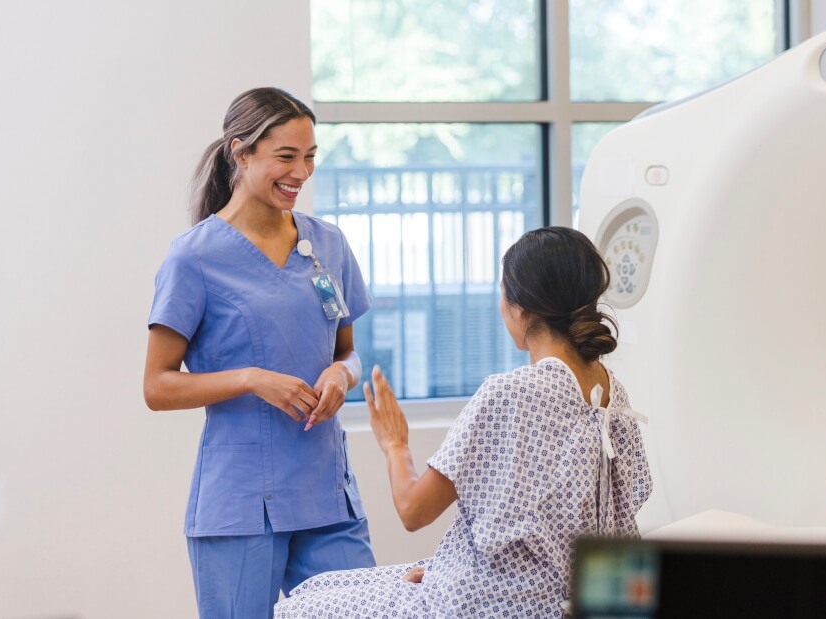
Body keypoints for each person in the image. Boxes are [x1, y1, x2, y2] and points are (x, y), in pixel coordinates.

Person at [274, 226, 652, 618]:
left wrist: (395, 444)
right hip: (557, 600)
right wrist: (450, 568)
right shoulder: (613, 396)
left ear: (520, 307)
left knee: (302, 606)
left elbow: (412, 511)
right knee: (332, 585)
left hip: (486, 604)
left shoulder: (509, 394)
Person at [143, 87, 375, 619]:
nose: (302, 171)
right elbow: (157, 385)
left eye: (311, 156)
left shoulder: (328, 245)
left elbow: (349, 353)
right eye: (286, 157)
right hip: (240, 504)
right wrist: (250, 378)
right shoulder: (194, 258)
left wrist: (343, 376)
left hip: (327, 494)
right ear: (240, 153)